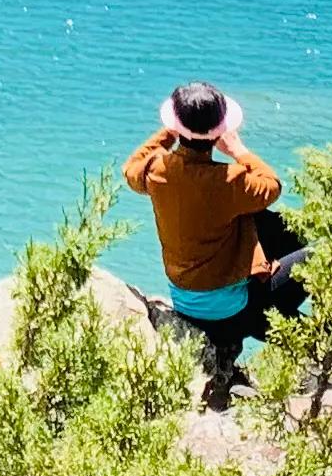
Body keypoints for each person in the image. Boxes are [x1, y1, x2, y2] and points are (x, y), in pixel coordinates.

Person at [122, 82, 306, 407]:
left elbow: (131, 168)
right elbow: (273, 186)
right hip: (232, 312)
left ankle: (261, 327)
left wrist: (167, 134)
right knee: (314, 252)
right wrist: (238, 150)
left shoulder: (157, 173)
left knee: (265, 223)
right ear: (222, 130)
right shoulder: (231, 181)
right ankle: (268, 324)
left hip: (186, 302)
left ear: (177, 126)